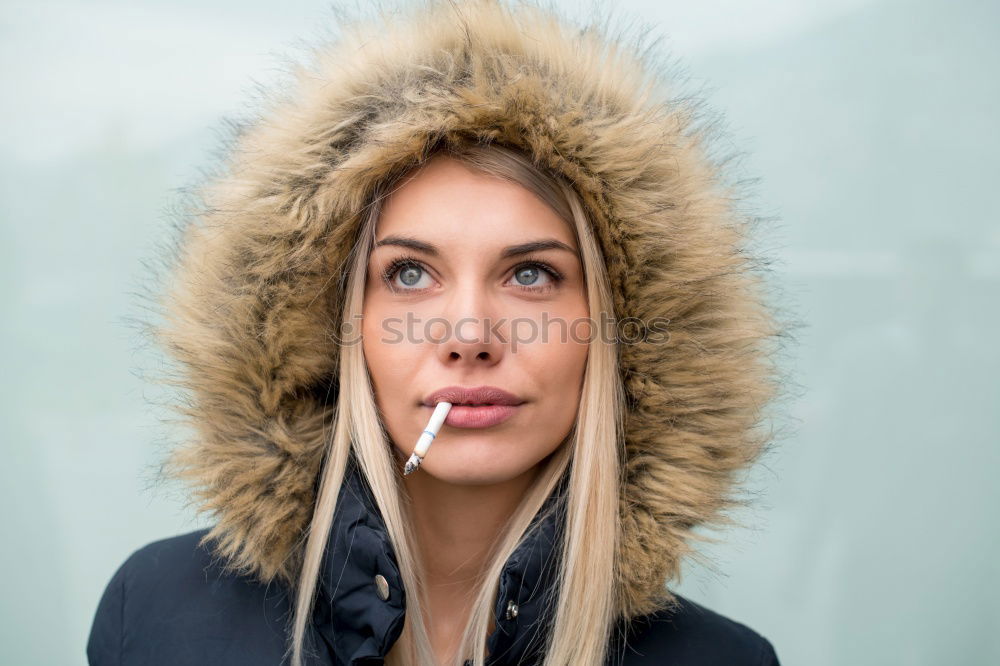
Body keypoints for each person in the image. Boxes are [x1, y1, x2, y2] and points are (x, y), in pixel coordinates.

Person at [87, 1, 788, 664]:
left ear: (620, 337)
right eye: (410, 275)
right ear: (332, 323)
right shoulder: (156, 617)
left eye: (533, 275)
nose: (470, 334)